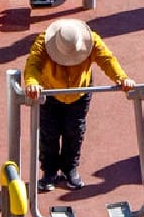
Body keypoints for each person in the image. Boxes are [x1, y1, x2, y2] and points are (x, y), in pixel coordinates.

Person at [23, 18, 135, 191]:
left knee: (75, 130)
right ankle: (49, 172)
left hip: (79, 92)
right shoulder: (43, 41)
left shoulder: (92, 39)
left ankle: (69, 169)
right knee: (49, 132)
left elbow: (107, 60)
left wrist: (122, 78)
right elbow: (33, 63)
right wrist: (31, 82)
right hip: (50, 92)